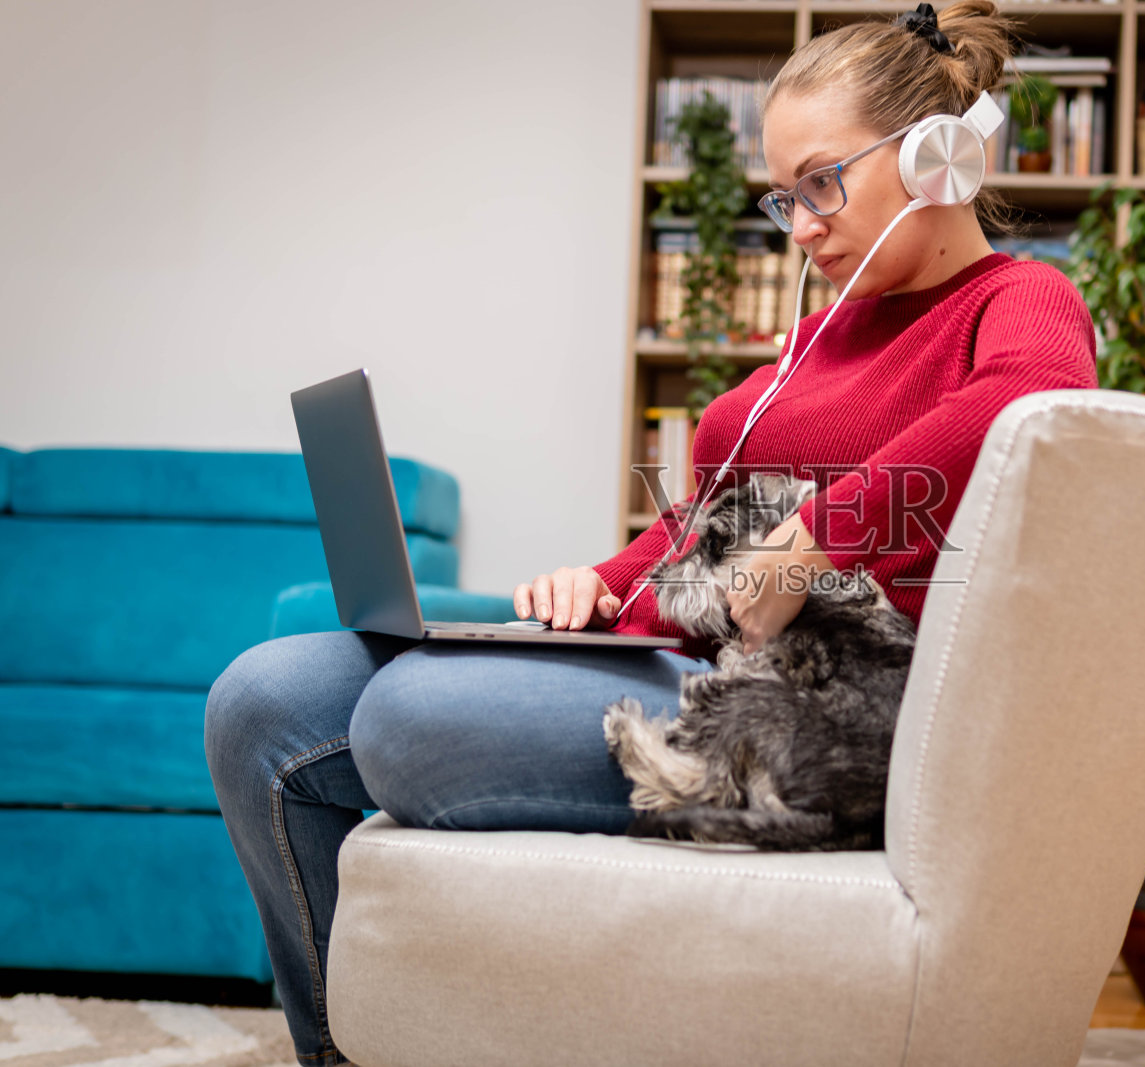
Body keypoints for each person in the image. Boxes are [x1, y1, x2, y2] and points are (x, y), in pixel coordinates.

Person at [204, 2, 1097, 1063]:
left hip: (787, 708)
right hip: (671, 645)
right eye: (784, 195)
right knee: (259, 701)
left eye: (823, 182)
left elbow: (1029, 406)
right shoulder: (815, 335)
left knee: (404, 718)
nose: (801, 224)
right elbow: (704, 514)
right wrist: (598, 578)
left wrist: (816, 531)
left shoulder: (1018, 300)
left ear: (938, 158)